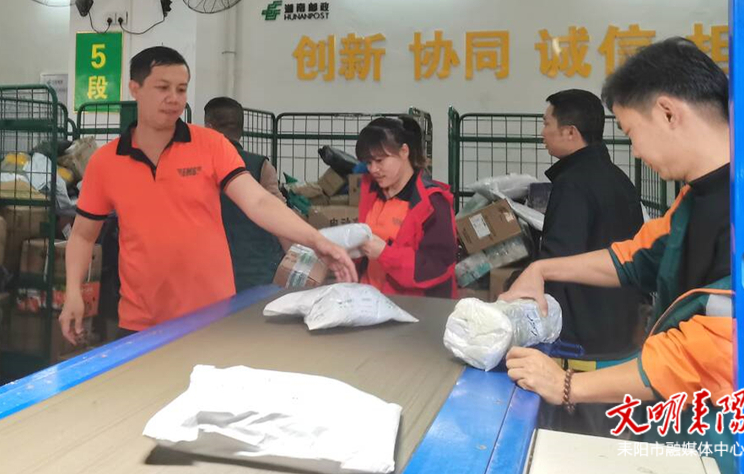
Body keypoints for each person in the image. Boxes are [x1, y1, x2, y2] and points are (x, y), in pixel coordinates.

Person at [501, 38, 744, 474]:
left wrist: (568, 385)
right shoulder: (698, 196)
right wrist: (542, 267)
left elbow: (712, 351)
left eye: (631, 131)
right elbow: (635, 257)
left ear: (667, 112)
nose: (636, 152)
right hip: (696, 423)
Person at [59, 46, 356, 341]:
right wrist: (73, 291)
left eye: (181, 89)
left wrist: (317, 241)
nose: (174, 98)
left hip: (213, 316)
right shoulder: (106, 162)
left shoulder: (211, 145)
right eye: (163, 87)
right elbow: (83, 235)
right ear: (135, 89)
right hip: (141, 320)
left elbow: (258, 201)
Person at [539, 89, 646, 360]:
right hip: (619, 327)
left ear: (570, 132)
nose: (542, 133)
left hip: (579, 336)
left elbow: (558, 259)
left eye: (547, 124)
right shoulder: (619, 179)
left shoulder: (572, 184)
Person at [353, 116, 458, 297]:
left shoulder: (432, 203)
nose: (373, 169)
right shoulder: (371, 192)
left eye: (380, 161)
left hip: (414, 306)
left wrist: (385, 254)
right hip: (370, 300)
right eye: (368, 162)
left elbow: (438, 267)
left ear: (404, 151)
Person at [203, 96, 287, 292]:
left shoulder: (194, 166)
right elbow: (280, 216)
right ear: (241, 129)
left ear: (209, 128)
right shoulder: (260, 166)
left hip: (209, 272)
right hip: (256, 270)